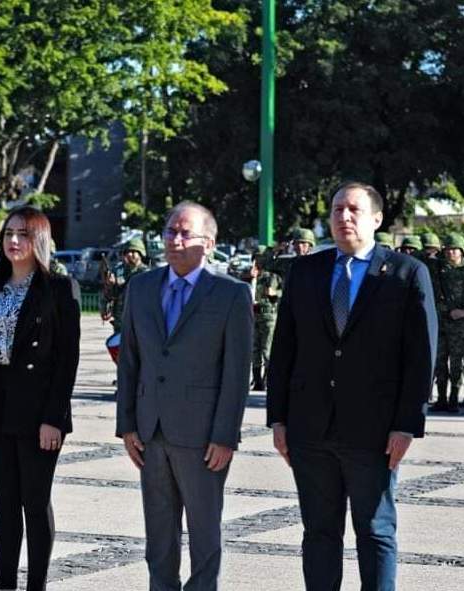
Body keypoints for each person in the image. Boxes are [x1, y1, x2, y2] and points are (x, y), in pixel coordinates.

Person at [268, 181, 437, 590]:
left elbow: (421, 357)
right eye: (337, 209)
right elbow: (284, 348)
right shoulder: (306, 271)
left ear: (377, 219)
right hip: (311, 430)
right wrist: (278, 419)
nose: (344, 217)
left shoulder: (405, 273)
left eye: (354, 210)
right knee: (319, 534)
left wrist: (406, 424)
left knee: (375, 532)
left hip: (374, 432)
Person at [116, 201, 253, 590]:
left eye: (185, 233)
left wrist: (225, 434)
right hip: (150, 431)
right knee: (159, 537)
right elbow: (130, 360)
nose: (175, 240)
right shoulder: (142, 287)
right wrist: (127, 424)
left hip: (203, 437)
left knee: (204, 535)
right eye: (170, 232)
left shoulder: (231, 294)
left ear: (208, 244)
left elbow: (236, 373)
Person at [0, 206, 81, 591]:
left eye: (24, 234)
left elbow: (67, 359)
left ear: (39, 240)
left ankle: (37, 586)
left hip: (38, 410)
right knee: (5, 503)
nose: (13, 241)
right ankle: (7, 585)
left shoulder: (59, 289)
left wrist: (55, 417)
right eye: (9, 233)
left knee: (35, 499)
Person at [432, 233, 464, 412]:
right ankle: (441, 398)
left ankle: (454, 398)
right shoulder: (438, 269)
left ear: (461, 251)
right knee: (440, 361)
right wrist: (446, 310)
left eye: (454, 249)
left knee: (456, 363)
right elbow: (432, 294)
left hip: (460, 324)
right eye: (448, 249)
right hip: (440, 322)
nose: (451, 253)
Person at [101, 238, 148, 334]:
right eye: (127, 252)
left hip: (139, 324)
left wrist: (118, 283)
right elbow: (110, 295)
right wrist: (110, 285)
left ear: (141, 253)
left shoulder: (146, 273)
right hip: (120, 322)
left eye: (133, 252)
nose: (129, 254)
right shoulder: (118, 271)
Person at [251, 253, 280, 391]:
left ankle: (268, 379)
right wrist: (252, 278)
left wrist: (274, 293)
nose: (257, 261)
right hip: (253, 317)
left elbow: (279, 293)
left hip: (268, 317)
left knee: (267, 350)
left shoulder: (271, 277)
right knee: (255, 350)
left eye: (260, 258)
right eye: (255, 258)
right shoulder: (249, 277)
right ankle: (258, 382)